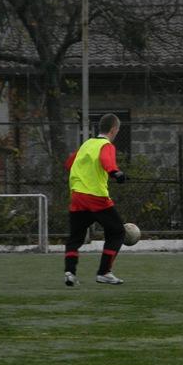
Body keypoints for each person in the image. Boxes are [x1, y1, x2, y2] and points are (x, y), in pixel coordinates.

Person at [63, 113, 127, 286]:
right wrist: (115, 172)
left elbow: (69, 163)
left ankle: (70, 273)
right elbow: (106, 160)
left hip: (77, 196)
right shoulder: (106, 145)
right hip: (95, 197)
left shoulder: (86, 144)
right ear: (113, 130)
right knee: (118, 232)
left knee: (75, 237)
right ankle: (104, 272)